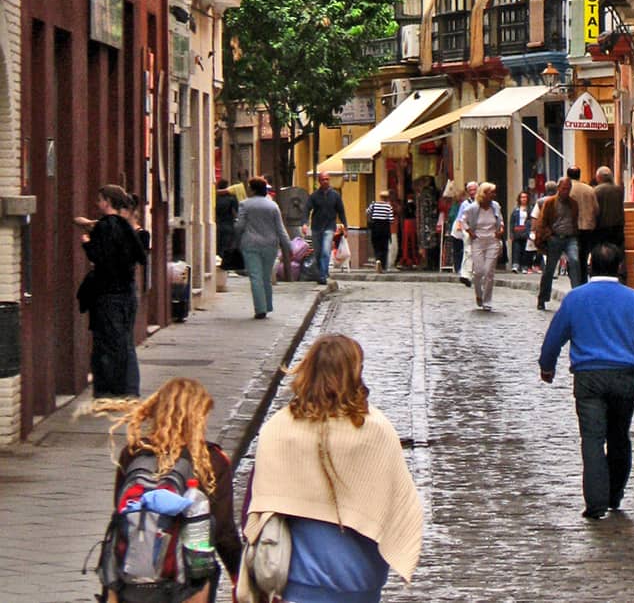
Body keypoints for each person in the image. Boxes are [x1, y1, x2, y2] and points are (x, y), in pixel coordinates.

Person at [244, 334, 423, 602]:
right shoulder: (376, 430)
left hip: (298, 580)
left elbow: (255, 506)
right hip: (359, 577)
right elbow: (400, 502)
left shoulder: (278, 429)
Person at [539, 243, 634, 519]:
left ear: (591, 265)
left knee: (592, 439)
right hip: (624, 377)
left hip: (589, 377)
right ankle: (614, 494)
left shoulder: (576, 298)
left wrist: (547, 366)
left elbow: (555, 335)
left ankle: (595, 502)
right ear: (620, 267)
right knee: (619, 437)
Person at [105, 377, 241, 602]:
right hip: (186, 584)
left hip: (131, 577)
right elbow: (223, 533)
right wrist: (239, 576)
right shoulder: (212, 461)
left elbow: (121, 511)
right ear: (198, 418)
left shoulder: (132, 454)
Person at [76, 185, 147, 398]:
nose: (97, 204)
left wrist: (87, 244)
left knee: (107, 343)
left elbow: (101, 257)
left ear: (107, 201)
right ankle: (128, 388)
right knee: (124, 341)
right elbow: (141, 256)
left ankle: (108, 389)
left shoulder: (106, 227)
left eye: (99, 200)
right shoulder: (127, 227)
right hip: (127, 291)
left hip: (108, 293)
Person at [235, 177, 292, 319]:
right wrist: (288, 246)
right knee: (266, 277)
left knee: (255, 276)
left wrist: (236, 235)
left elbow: (240, 226)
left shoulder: (245, 205)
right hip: (270, 245)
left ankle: (260, 309)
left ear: (253, 189)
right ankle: (267, 305)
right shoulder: (273, 206)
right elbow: (280, 229)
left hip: (251, 244)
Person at [534, 176, 581, 311]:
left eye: (568, 189)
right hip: (555, 238)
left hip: (570, 238)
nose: (566, 191)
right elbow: (542, 221)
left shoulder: (573, 204)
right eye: (564, 188)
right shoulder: (550, 203)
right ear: (558, 188)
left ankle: (577, 296)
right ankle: (542, 298)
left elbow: (575, 220)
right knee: (550, 268)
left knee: (575, 261)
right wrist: (547, 235)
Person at [462, 182, 504, 311]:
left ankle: (487, 300)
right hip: (478, 241)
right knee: (479, 271)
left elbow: (500, 221)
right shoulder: (473, 208)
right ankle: (479, 294)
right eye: (491, 192)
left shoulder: (495, 206)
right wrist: (471, 232)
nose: (494, 195)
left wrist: (501, 230)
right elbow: (463, 221)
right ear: (484, 193)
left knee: (489, 271)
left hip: (492, 241)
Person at [308, 171, 348, 287]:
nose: (325, 181)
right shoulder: (314, 196)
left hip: (329, 227)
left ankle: (322, 276)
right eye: (323, 179)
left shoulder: (335, 195)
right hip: (316, 227)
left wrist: (345, 226)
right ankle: (323, 272)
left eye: (327, 179)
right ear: (319, 181)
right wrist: (304, 223)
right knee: (318, 252)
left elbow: (341, 211)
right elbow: (307, 208)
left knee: (326, 251)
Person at [566, 167, 599, 285]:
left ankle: (575, 282)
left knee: (572, 257)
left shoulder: (567, 189)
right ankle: (583, 281)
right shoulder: (589, 190)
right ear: (579, 175)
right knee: (583, 257)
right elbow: (596, 209)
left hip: (572, 228)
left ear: (568, 175)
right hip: (588, 227)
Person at [452, 180, 478, 288]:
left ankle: (473, 274)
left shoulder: (482, 202)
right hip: (467, 229)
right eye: (470, 190)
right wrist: (459, 227)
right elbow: (460, 217)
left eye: (474, 189)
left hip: (479, 230)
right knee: (468, 251)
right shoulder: (465, 204)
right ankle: (465, 274)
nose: (472, 192)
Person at [593, 166, 625, 252]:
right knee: (616, 251)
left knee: (602, 253)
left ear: (599, 177)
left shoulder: (596, 191)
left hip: (601, 226)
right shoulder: (619, 190)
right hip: (617, 225)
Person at [366, 190, 395, 272]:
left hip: (375, 227)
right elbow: (391, 219)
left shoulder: (374, 204)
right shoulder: (388, 206)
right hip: (385, 228)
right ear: (387, 198)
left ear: (380, 197)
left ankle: (377, 260)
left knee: (376, 245)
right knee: (384, 247)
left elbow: (367, 212)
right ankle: (383, 265)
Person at [215, 178, 240, 270]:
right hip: (228, 224)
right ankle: (224, 266)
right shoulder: (231, 198)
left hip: (217, 224)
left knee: (218, 246)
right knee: (226, 246)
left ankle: (218, 264)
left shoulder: (215, 197)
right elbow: (237, 211)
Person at [509, 191, 531, 272]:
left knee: (526, 250)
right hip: (517, 231)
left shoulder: (530, 209)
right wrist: (511, 233)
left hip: (526, 231)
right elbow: (512, 222)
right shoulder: (516, 210)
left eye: (525, 197)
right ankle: (516, 265)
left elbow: (532, 221)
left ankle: (524, 266)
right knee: (516, 249)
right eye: (522, 197)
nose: (523, 199)